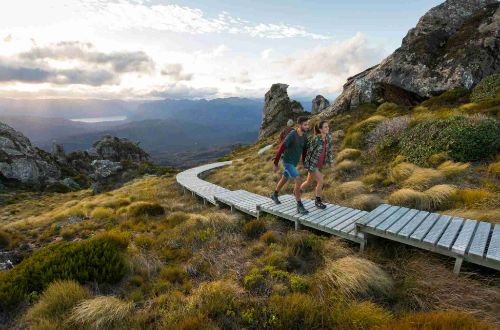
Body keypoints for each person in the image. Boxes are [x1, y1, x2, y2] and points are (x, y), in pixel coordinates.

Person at [271, 116, 310, 215]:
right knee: (298, 179)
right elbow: (281, 148)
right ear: (299, 125)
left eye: (308, 124)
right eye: (305, 124)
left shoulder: (305, 136)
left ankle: (274, 194)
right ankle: (299, 205)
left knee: (284, 178)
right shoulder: (292, 135)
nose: (307, 126)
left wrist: (305, 162)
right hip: (287, 161)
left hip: (294, 162)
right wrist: (275, 163)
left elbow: (304, 150)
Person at [301, 120, 332, 209]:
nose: (328, 128)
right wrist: (307, 165)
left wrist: (330, 162)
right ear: (320, 129)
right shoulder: (316, 139)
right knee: (321, 181)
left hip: (320, 165)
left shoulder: (328, 137)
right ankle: (318, 201)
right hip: (312, 165)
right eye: (325, 127)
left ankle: (298, 191)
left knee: (308, 182)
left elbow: (329, 151)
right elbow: (309, 153)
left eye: (328, 126)